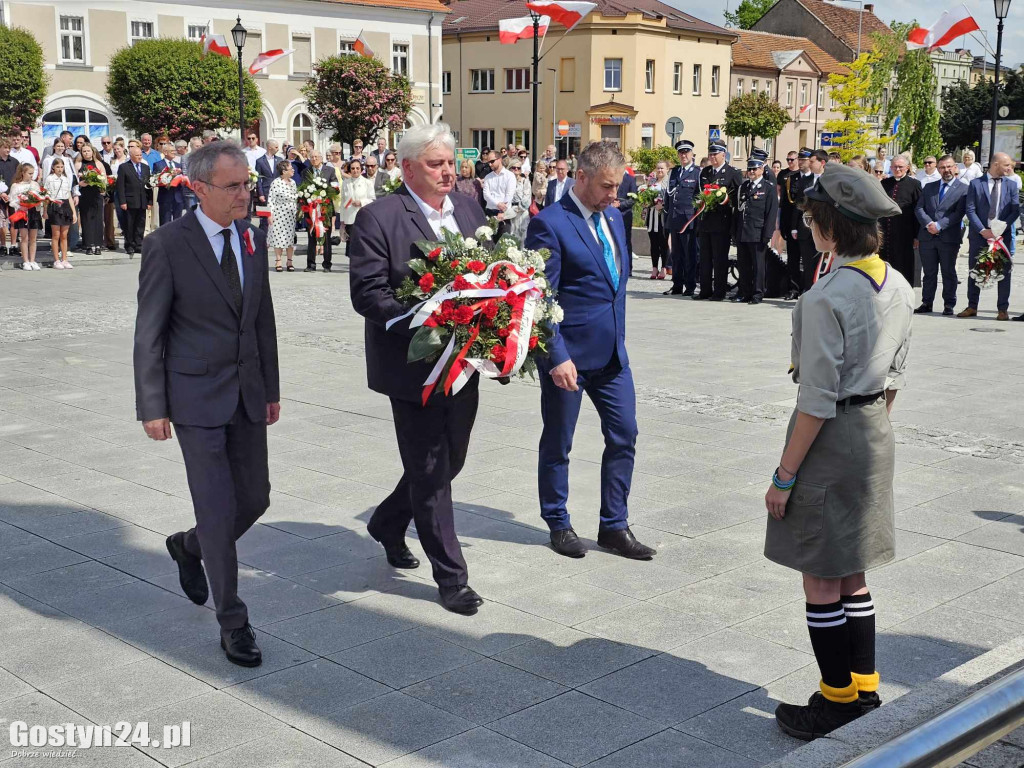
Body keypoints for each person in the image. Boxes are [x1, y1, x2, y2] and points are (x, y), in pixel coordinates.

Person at [766, 163, 913, 741]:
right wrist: (867, 426)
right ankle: (864, 687)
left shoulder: (827, 295)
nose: (807, 228)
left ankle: (835, 701)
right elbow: (896, 374)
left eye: (811, 219)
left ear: (830, 227)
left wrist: (784, 477)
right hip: (875, 429)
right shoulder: (897, 284)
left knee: (821, 576)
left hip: (831, 436)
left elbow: (816, 400)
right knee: (852, 570)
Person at [134, 140, 279, 669]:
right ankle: (233, 621)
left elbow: (262, 319)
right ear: (198, 188)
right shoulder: (167, 245)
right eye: (234, 186)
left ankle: (189, 546)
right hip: (193, 396)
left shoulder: (253, 237)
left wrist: (272, 389)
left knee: (256, 498)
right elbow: (148, 331)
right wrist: (152, 405)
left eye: (247, 183)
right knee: (218, 509)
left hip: (247, 393)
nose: (246, 193)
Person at [348, 122, 488, 615]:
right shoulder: (379, 217)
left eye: (450, 162)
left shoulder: (469, 208)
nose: (447, 171)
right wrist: (426, 317)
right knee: (430, 470)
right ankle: (451, 578)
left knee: (452, 459)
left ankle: (388, 520)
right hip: (413, 367)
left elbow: (491, 277)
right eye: (435, 163)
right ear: (408, 168)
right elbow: (367, 293)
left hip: (465, 362)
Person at [526, 141, 655, 562]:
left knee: (625, 434)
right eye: (605, 186)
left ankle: (614, 525)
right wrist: (556, 355)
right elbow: (541, 297)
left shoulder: (614, 216)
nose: (614, 195)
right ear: (580, 177)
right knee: (559, 441)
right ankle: (558, 522)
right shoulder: (550, 223)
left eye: (617, 186)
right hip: (570, 359)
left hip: (613, 356)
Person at [960, 151, 1019, 321]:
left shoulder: (1011, 185)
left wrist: (1001, 228)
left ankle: (1002, 309)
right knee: (976, 270)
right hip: (980, 236)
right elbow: (970, 210)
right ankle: (972, 306)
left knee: (1004, 272)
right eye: (1006, 165)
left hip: (1002, 236)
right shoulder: (976, 184)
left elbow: (1014, 211)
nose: (1009, 168)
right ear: (995, 165)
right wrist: (982, 230)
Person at [914, 155, 967, 316]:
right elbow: (919, 208)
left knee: (948, 272)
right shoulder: (929, 187)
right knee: (929, 273)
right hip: (927, 236)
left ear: (955, 168)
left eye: (949, 166)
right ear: (938, 169)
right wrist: (929, 224)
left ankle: (949, 304)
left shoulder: (964, 189)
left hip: (948, 237)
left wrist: (939, 225)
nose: (946, 170)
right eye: (943, 167)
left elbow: (959, 213)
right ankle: (926, 302)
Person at [697, 141, 742, 300]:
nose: (713, 157)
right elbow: (699, 193)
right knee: (705, 259)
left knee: (719, 259)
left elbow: (738, 199)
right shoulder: (705, 172)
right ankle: (705, 290)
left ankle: (719, 291)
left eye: (716, 154)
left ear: (724, 154)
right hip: (705, 222)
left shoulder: (733, 173)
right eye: (711, 154)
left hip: (722, 222)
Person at [734, 155, 779, 304]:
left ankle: (758, 294)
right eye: (750, 169)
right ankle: (745, 292)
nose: (751, 172)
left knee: (758, 266)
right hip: (743, 231)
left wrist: (767, 234)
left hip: (758, 232)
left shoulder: (768, 188)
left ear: (761, 169)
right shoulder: (744, 187)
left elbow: (771, 213)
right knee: (744, 265)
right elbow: (738, 212)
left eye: (754, 169)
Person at [664, 139, 701, 296]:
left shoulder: (697, 172)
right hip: (675, 218)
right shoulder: (674, 172)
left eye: (686, 152)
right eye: (681, 152)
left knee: (689, 254)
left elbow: (700, 197)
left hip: (689, 220)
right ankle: (677, 284)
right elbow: (668, 196)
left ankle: (690, 285)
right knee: (676, 254)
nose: (683, 155)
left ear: (692, 154)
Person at [879, 156, 922, 287]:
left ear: (907, 168)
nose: (897, 169)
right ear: (890, 167)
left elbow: (918, 210)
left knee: (904, 263)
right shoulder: (885, 183)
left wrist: (917, 235)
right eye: (894, 167)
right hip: (886, 232)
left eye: (900, 167)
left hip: (905, 232)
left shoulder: (914, 185)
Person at [790, 149, 827, 293]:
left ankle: (820, 290)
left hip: (823, 228)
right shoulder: (805, 180)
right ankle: (808, 290)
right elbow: (798, 205)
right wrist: (794, 227)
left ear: (822, 163)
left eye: (812, 162)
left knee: (821, 262)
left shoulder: (829, 180)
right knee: (807, 261)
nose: (809, 164)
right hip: (805, 228)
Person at [302, 151, 338, 272]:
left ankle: (327, 264)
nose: (314, 159)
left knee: (326, 237)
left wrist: (325, 192)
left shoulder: (330, 170)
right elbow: (302, 188)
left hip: (325, 208)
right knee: (311, 236)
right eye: (312, 157)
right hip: (311, 209)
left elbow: (335, 187)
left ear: (321, 158)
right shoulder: (306, 172)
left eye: (316, 157)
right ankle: (310, 264)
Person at [116, 141, 152, 257]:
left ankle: (139, 244)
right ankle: (129, 245)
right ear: (131, 156)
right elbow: (120, 186)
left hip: (142, 200)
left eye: (140, 155)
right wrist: (123, 201)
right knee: (129, 224)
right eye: (137, 156)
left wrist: (150, 201)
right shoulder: (124, 167)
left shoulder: (145, 168)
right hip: (130, 201)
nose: (139, 157)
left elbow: (149, 185)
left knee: (140, 223)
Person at [76, 143, 111, 255]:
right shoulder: (78, 164)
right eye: (84, 151)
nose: (86, 153)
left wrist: (103, 189)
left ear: (92, 152)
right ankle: (88, 245)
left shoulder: (98, 163)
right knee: (86, 219)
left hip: (96, 194)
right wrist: (81, 183)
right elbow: (75, 180)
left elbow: (104, 178)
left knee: (97, 220)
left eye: (88, 151)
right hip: (85, 194)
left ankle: (98, 244)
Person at [44, 158, 78, 269]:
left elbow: (68, 195)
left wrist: (73, 212)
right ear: (53, 167)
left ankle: (64, 259)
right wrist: (45, 211)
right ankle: (56, 260)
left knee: (64, 235)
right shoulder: (49, 179)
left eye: (61, 167)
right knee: (56, 235)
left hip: (65, 206)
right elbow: (46, 196)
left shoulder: (66, 179)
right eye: (57, 167)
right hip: (54, 206)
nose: (60, 169)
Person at [9, 163, 43, 269]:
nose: (31, 176)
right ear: (23, 173)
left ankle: (32, 260)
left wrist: (38, 203)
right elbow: (12, 201)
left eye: (33, 173)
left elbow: (39, 198)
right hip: (22, 212)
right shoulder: (16, 185)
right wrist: (20, 206)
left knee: (33, 238)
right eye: (29, 173)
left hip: (34, 212)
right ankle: (26, 261)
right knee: (24, 237)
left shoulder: (35, 184)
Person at [777, 150, 801, 297]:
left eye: (792, 160)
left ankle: (805, 286)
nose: (790, 162)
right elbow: (779, 193)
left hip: (799, 220)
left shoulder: (803, 176)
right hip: (786, 217)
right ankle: (793, 288)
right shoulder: (783, 174)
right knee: (792, 257)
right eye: (788, 160)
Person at [268, 160, 298, 272]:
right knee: (278, 237)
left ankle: (290, 261)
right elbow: (271, 200)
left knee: (290, 238)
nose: (293, 170)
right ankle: (278, 260)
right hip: (279, 214)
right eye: (291, 169)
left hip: (290, 215)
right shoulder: (276, 183)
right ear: (284, 171)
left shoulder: (293, 182)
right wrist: (269, 215)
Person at [645, 161, 670, 280]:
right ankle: (654, 267)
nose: (660, 171)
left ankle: (664, 267)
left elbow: (670, 198)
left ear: (667, 170)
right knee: (654, 243)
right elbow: (646, 196)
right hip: (652, 216)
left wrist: (663, 205)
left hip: (662, 217)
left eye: (662, 168)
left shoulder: (669, 182)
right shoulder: (651, 182)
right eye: (658, 168)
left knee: (663, 243)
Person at [482, 150, 516, 237]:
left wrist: (501, 210)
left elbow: (509, 194)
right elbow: (486, 195)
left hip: (504, 215)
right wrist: (497, 203)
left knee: (503, 244)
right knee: (489, 244)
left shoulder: (510, 176)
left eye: (492, 161)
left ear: (500, 159)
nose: (490, 164)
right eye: (488, 162)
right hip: (490, 213)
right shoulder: (488, 177)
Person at [341, 157, 375, 244]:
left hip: (363, 218)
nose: (355, 170)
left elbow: (372, 200)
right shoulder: (345, 183)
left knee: (362, 245)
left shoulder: (368, 183)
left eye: (357, 168)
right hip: (349, 219)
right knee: (351, 247)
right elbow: (343, 202)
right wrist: (342, 222)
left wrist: (361, 202)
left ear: (361, 169)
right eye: (352, 168)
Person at [152, 142, 187, 226]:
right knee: (165, 222)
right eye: (171, 151)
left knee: (178, 222)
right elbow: (155, 180)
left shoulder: (178, 165)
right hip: (165, 197)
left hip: (178, 198)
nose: (174, 152)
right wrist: (169, 176)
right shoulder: (158, 164)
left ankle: (176, 239)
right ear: (165, 152)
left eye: (174, 150)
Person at [507, 159, 533, 241]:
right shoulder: (507, 181)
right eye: (514, 168)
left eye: (518, 168)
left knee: (523, 234)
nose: (516, 169)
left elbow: (527, 197)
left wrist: (519, 208)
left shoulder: (524, 181)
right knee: (511, 234)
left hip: (522, 211)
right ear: (510, 168)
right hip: (510, 210)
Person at [109, 142, 130, 246]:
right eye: (115, 149)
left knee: (128, 214)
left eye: (118, 149)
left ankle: (129, 236)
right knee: (119, 213)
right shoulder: (113, 160)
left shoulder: (128, 159)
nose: (117, 151)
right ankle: (125, 231)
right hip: (116, 189)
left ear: (123, 148)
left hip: (127, 189)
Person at [614, 168, 637, 258]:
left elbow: (633, 199)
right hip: (610, 212)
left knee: (626, 241)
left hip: (625, 214)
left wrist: (620, 204)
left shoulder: (630, 179)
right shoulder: (611, 176)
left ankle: (628, 269)